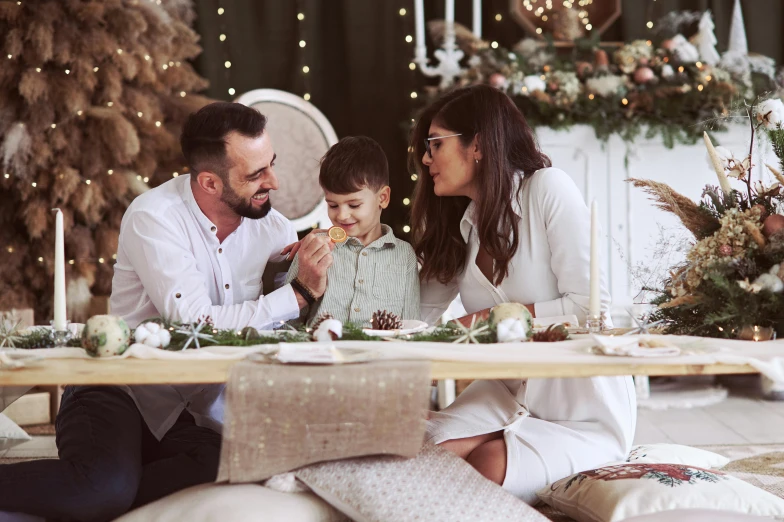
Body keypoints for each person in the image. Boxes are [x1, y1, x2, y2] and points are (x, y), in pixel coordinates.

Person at [0, 102, 335, 522]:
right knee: (101, 491)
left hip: (186, 413)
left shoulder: (274, 229)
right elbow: (192, 323)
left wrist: (314, 263)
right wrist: (298, 293)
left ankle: (118, 483)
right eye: (256, 175)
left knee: (243, 469)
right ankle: (105, 487)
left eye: (271, 165)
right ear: (210, 182)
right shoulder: (153, 217)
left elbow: (280, 328)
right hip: (117, 390)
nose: (275, 181)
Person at [411, 85, 636, 504]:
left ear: (476, 145)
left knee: (486, 469)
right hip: (503, 394)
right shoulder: (459, 229)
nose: (426, 159)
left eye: (435, 144)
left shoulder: (547, 189)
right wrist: (354, 249)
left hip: (580, 412)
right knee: (423, 458)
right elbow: (415, 316)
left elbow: (590, 309)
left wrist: (485, 321)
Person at [285, 136, 419, 326]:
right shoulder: (314, 248)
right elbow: (286, 322)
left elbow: (411, 325)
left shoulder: (404, 256)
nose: (342, 215)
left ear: (383, 198)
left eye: (354, 205)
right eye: (333, 205)